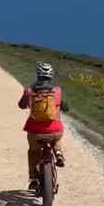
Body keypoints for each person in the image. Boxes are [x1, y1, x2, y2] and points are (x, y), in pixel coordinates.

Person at [18, 62, 65, 190]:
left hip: (35, 132)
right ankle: (58, 152)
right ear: (51, 76)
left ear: (38, 75)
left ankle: (33, 179)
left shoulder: (29, 90)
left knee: (33, 152)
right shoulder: (57, 90)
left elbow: (21, 105)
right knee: (57, 135)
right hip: (54, 130)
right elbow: (67, 107)